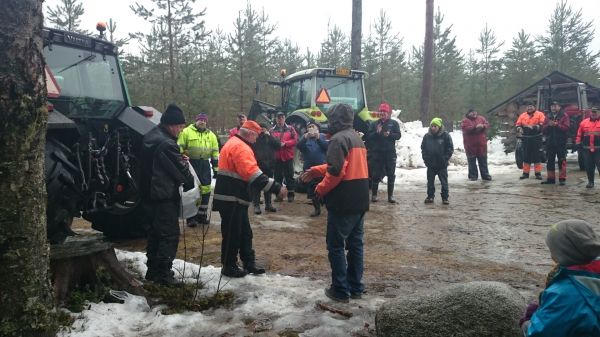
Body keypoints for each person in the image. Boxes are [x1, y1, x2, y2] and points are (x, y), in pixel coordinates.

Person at [300, 103, 369, 303]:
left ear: (335, 119)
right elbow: (344, 165)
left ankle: (340, 289)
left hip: (343, 201)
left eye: (330, 119)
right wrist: (316, 170)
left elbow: (336, 171)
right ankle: (355, 286)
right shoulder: (356, 138)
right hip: (360, 198)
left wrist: (319, 189)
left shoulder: (338, 139)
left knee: (336, 246)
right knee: (356, 244)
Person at [213, 120, 287, 278]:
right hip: (231, 197)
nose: (257, 140)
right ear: (250, 134)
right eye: (256, 136)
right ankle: (229, 265)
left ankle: (248, 262)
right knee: (233, 233)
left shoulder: (235, 143)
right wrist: (276, 188)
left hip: (234, 197)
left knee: (244, 232)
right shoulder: (241, 147)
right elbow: (252, 173)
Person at [140, 103, 194, 285]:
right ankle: (164, 274)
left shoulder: (150, 137)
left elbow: (161, 165)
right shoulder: (166, 143)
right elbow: (182, 174)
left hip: (149, 195)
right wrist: (184, 165)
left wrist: (178, 158)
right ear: (171, 125)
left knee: (155, 235)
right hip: (163, 197)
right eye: (180, 127)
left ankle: (152, 271)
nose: (181, 130)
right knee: (169, 235)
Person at [520, 219, 600, 336]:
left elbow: (539, 333)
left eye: (552, 249)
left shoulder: (562, 294)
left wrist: (528, 322)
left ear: (562, 253)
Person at [177, 113, 219, 226]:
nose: (202, 122)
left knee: (206, 190)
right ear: (196, 121)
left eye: (204, 120)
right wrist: (181, 160)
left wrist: (216, 169)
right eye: (200, 119)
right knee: (192, 190)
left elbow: (215, 152)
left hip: (205, 165)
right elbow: (179, 146)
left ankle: (202, 215)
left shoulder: (211, 135)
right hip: (191, 164)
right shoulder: (186, 132)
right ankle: (191, 218)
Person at [366, 102, 401, 203]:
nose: (382, 113)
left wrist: (390, 134)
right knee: (376, 174)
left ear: (388, 113)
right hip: (377, 153)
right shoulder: (374, 124)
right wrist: (377, 133)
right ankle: (374, 195)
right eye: (381, 111)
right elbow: (369, 137)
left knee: (391, 174)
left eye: (384, 112)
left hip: (390, 154)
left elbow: (398, 136)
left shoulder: (393, 123)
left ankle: (390, 196)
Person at [297, 121, 328, 216]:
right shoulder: (305, 138)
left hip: (322, 168)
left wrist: (318, 138)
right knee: (312, 190)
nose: (311, 128)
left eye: (313, 126)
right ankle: (317, 209)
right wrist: (305, 137)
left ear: (318, 128)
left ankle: (326, 205)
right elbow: (299, 146)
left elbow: (327, 147)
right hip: (309, 169)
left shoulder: (323, 136)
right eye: (309, 127)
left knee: (325, 188)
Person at [421, 117, 454, 205]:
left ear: (439, 127)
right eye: (432, 126)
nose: (433, 128)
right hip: (431, 164)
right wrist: (426, 159)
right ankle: (430, 196)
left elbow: (450, 148)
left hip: (441, 164)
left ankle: (445, 198)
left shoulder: (445, 135)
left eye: (435, 126)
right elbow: (423, 148)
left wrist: (445, 158)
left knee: (444, 182)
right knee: (430, 182)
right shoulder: (427, 136)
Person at [252, 123, 282, 214]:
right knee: (257, 186)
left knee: (268, 185)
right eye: (261, 128)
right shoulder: (256, 137)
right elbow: (252, 146)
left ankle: (268, 205)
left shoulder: (270, 137)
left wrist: (270, 136)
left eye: (264, 128)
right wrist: (259, 135)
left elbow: (278, 145)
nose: (263, 130)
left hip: (270, 165)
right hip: (258, 165)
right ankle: (256, 205)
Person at [541, 101, 570, 185]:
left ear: (559, 107)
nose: (553, 108)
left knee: (562, 161)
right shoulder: (548, 116)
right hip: (550, 142)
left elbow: (566, 127)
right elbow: (543, 129)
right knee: (550, 161)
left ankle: (562, 179)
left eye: (555, 106)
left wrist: (557, 125)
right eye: (552, 106)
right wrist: (549, 125)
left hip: (561, 142)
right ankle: (551, 179)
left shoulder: (564, 116)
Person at [272, 111, 297, 202]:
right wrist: (277, 144)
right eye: (278, 117)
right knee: (277, 177)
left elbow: (295, 140)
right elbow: (271, 142)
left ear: (284, 118)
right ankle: (279, 195)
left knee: (289, 176)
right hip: (277, 157)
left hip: (287, 157)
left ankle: (291, 195)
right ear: (276, 119)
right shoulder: (272, 130)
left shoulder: (291, 129)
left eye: (282, 117)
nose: (280, 119)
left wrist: (285, 144)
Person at [516, 103, 546, 180]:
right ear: (526, 108)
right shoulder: (522, 115)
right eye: (528, 106)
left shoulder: (540, 114)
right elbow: (518, 124)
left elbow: (543, 123)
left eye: (531, 106)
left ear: (534, 107)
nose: (530, 108)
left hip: (536, 137)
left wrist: (535, 127)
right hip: (526, 138)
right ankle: (525, 174)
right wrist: (519, 128)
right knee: (526, 155)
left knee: (537, 156)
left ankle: (538, 173)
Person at [460, 108, 492, 181]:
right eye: (472, 112)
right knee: (472, 162)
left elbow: (487, 124)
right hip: (470, 146)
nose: (474, 113)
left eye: (475, 112)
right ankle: (473, 176)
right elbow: (466, 129)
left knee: (483, 161)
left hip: (481, 145)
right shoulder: (465, 120)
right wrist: (475, 127)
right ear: (468, 113)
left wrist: (483, 126)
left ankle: (485, 175)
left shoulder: (481, 118)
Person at [575, 106, 600, 188]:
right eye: (592, 112)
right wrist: (578, 143)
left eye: (595, 112)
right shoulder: (583, 122)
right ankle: (590, 182)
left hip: (598, 150)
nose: (593, 113)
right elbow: (579, 134)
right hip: (587, 150)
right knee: (589, 167)